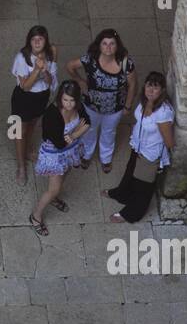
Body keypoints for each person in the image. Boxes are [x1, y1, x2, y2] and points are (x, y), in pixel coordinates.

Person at [108, 71, 175, 223]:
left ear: (162, 90)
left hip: (150, 153)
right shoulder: (144, 102)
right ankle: (121, 194)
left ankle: (132, 213)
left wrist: (156, 154)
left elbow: (169, 142)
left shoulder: (163, 113)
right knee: (130, 172)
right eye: (149, 85)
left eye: (155, 87)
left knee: (142, 187)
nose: (151, 90)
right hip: (137, 146)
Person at [67, 28, 137, 173]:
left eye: (112, 43)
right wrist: (79, 81)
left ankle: (106, 158)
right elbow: (70, 66)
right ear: (99, 45)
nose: (108, 47)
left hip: (115, 108)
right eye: (104, 43)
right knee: (89, 130)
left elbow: (133, 85)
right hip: (91, 106)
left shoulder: (126, 64)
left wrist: (128, 106)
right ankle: (86, 154)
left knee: (109, 132)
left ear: (117, 46)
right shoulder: (90, 59)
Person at [28, 80, 89, 236]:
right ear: (60, 98)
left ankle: (55, 198)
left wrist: (73, 136)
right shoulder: (52, 114)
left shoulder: (79, 107)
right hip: (54, 153)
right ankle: (35, 216)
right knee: (53, 189)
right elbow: (60, 143)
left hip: (70, 150)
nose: (68, 105)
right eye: (65, 100)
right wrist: (77, 132)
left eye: (72, 100)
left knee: (66, 173)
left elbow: (88, 122)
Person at [10, 25, 58, 184]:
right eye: (34, 39)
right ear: (29, 41)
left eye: (40, 39)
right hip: (23, 98)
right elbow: (25, 86)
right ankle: (21, 166)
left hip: (41, 98)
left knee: (32, 125)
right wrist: (37, 70)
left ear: (45, 40)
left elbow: (51, 81)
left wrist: (45, 71)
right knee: (18, 131)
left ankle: (28, 147)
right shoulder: (21, 57)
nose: (37, 42)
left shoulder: (51, 53)